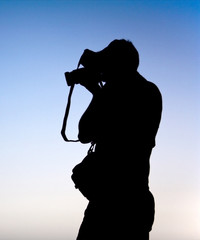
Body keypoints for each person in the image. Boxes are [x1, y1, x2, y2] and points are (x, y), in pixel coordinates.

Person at [75, 39, 162, 240]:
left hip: (111, 204)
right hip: (133, 202)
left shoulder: (119, 92)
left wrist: (97, 93)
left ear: (118, 65)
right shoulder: (149, 91)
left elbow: (84, 132)